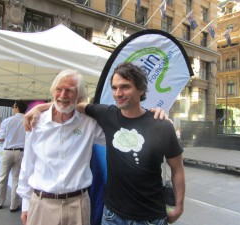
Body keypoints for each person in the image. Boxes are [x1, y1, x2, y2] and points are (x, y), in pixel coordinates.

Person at [76, 62, 185, 224]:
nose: (118, 93)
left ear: (141, 89)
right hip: (113, 216)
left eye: (125, 87)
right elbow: (73, 105)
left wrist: (179, 206)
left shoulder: (161, 125)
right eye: (114, 88)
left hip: (151, 218)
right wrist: (39, 109)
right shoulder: (107, 114)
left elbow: (177, 168)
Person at [17, 70, 106, 225]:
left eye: (70, 90)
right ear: (53, 91)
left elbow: (117, 135)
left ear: (79, 96)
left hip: (77, 205)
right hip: (42, 203)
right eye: (59, 89)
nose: (63, 94)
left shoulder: (88, 123)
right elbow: (28, 163)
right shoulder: (36, 121)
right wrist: (25, 205)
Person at [0, 100, 28, 212]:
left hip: (8, 151)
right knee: (16, 179)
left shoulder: (7, 121)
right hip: (22, 152)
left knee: (3, 177)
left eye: (13, 107)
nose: (12, 108)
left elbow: (1, 138)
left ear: (17, 107)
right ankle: (14, 205)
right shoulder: (28, 120)